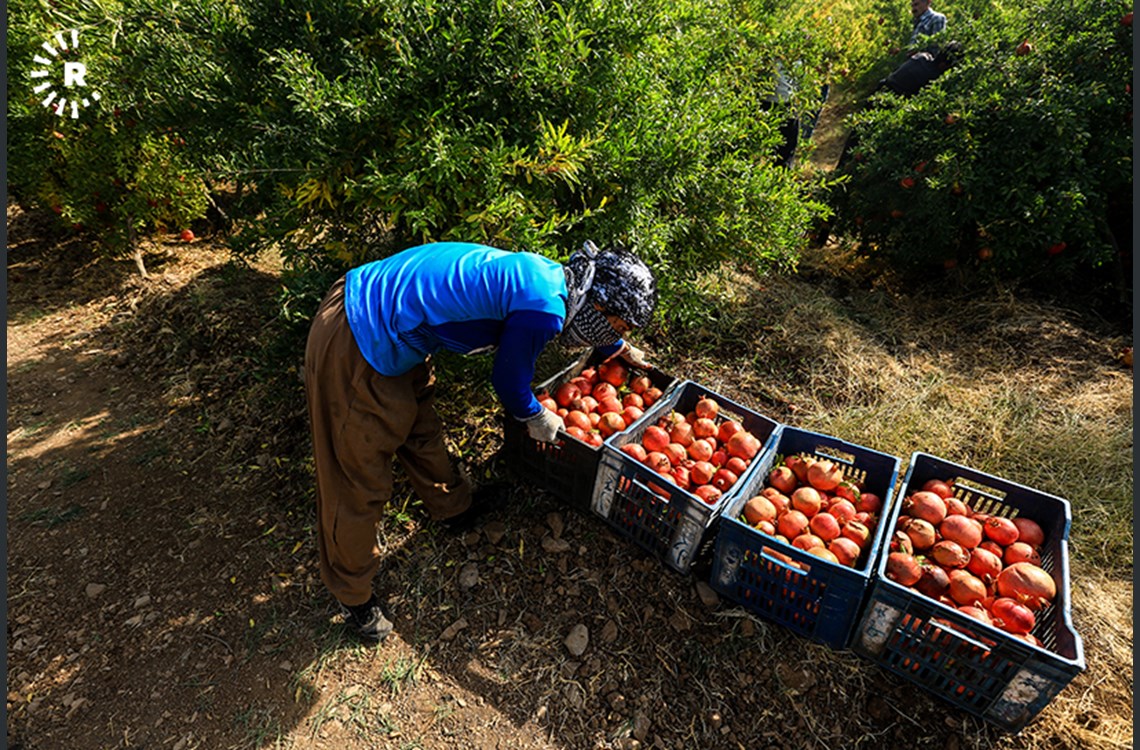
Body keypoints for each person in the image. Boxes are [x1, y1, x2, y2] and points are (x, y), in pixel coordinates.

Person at [303, 240, 658, 642]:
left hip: (398, 328)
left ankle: (453, 509)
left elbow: (590, 323)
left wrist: (619, 348)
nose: (616, 334)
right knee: (357, 474)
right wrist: (536, 416)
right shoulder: (544, 310)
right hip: (359, 329)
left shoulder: (556, 280)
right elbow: (509, 383)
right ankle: (353, 596)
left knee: (420, 430)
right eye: (620, 327)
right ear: (599, 307)